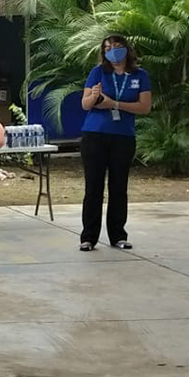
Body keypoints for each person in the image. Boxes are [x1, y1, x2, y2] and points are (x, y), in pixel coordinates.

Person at [79, 34, 152, 251]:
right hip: (95, 135)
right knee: (93, 187)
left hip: (123, 137)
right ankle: (88, 237)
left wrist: (115, 104)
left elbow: (145, 107)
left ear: (126, 49)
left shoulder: (140, 75)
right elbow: (85, 104)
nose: (113, 51)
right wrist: (95, 97)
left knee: (119, 187)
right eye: (108, 48)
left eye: (117, 46)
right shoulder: (98, 72)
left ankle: (118, 235)